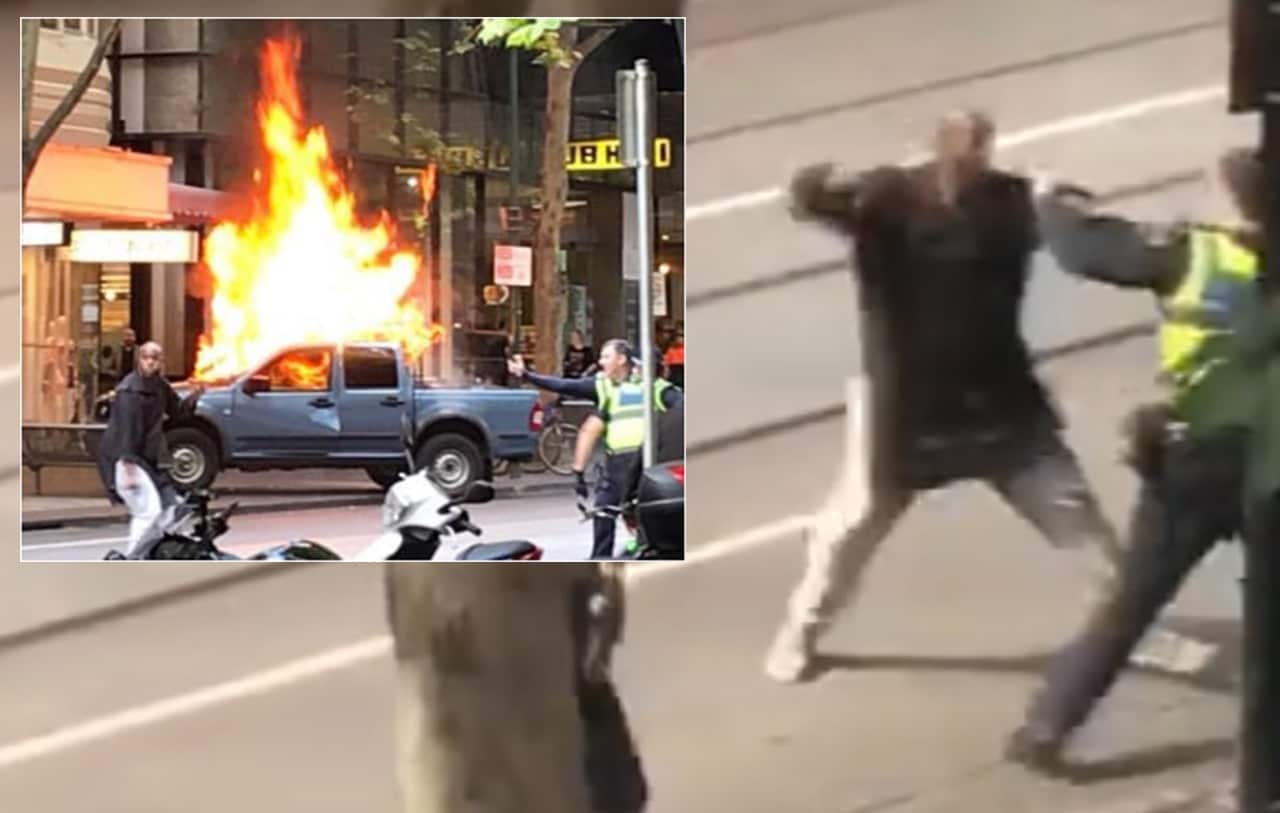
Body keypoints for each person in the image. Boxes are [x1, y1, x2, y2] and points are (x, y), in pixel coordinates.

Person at [764, 110, 1124, 684]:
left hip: (997, 397)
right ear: (934, 150)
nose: (964, 162)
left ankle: (1131, 621)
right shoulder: (887, 198)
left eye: (975, 151)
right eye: (957, 150)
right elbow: (816, 204)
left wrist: (1060, 200)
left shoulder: (1010, 200)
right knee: (850, 530)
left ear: (986, 154)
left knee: (1074, 517)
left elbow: (1070, 226)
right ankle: (801, 630)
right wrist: (806, 189)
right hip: (905, 408)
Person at [1005, 148, 1266, 769]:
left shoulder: (1190, 254)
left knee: (1133, 600)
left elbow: (1081, 250)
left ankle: (1047, 727)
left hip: (1193, 461)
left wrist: (1050, 201)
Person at [509, 339, 682, 559]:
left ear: (623, 360)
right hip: (616, 466)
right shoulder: (605, 387)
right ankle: (600, 560)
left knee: (645, 524)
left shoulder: (661, 390)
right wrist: (527, 375)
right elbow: (566, 387)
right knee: (603, 514)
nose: (601, 362)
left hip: (645, 466)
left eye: (606, 357)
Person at [98, 341, 203, 559]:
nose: (150, 362)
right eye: (146, 357)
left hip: (147, 460)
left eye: (155, 358)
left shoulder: (159, 386)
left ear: (160, 362)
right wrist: (126, 465)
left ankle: (157, 555)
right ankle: (134, 558)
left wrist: (194, 396)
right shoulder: (130, 391)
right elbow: (126, 431)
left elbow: (178, 413)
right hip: (128, 461)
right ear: (139, 359)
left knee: (170, 508)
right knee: (147, 513)